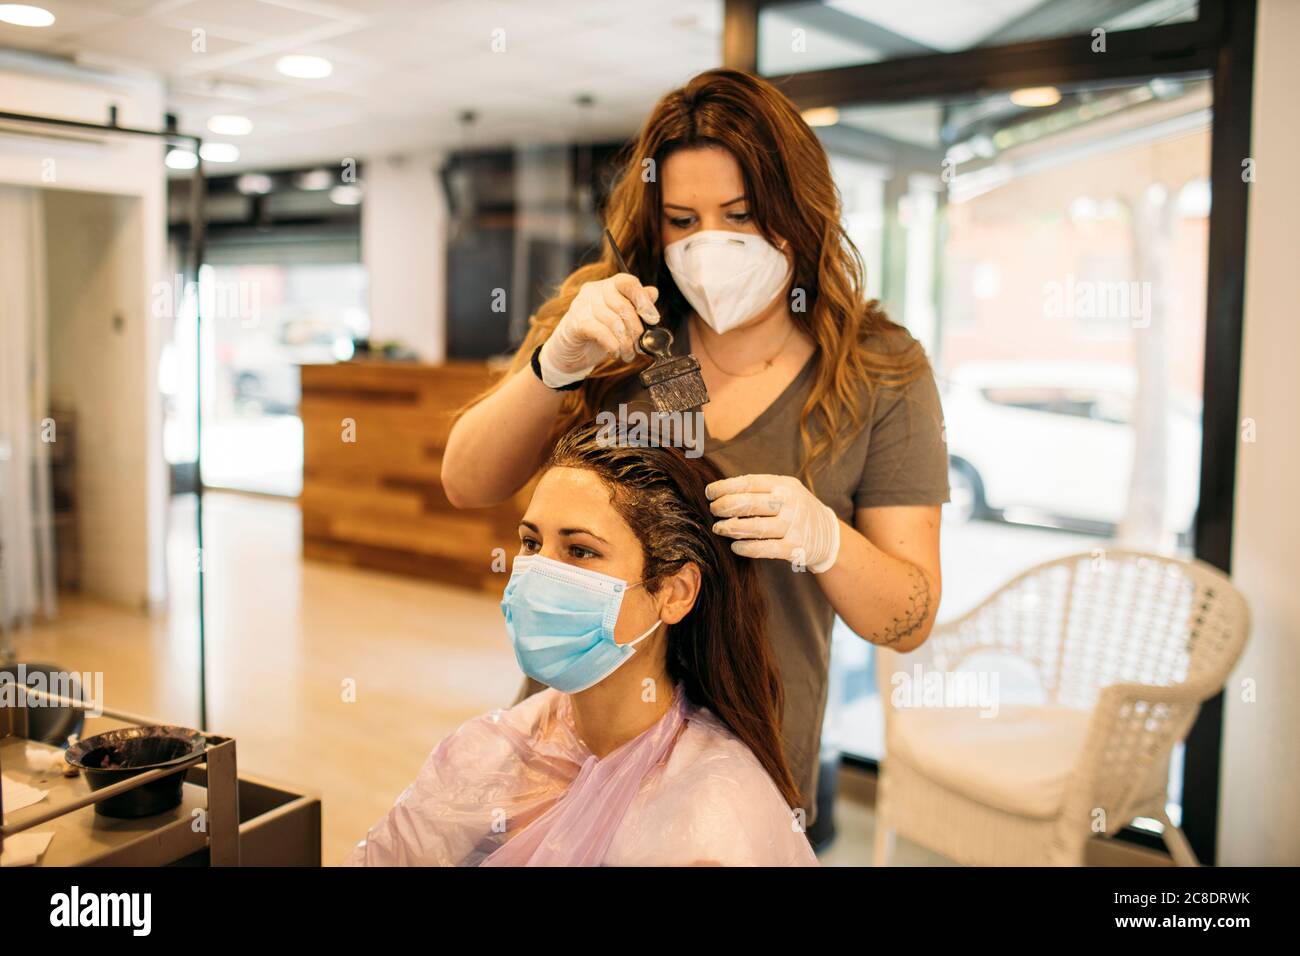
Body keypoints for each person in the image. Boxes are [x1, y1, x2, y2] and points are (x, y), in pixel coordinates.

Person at [441, 68, 950, 826]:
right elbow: (466, 480)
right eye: (682, 220)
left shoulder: (880, 370)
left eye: (741, 215)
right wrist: (558, 365)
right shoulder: (611, 323)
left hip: (745, 768)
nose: (710, 245)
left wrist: (827, 542)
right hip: (572, 747)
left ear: (798, 211)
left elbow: (906, 620)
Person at [344, 423, 818, 866]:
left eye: (580, 551)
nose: (539, 573)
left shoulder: (716, 806)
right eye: (531, 544)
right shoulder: (493, 748)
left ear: (674, 592)